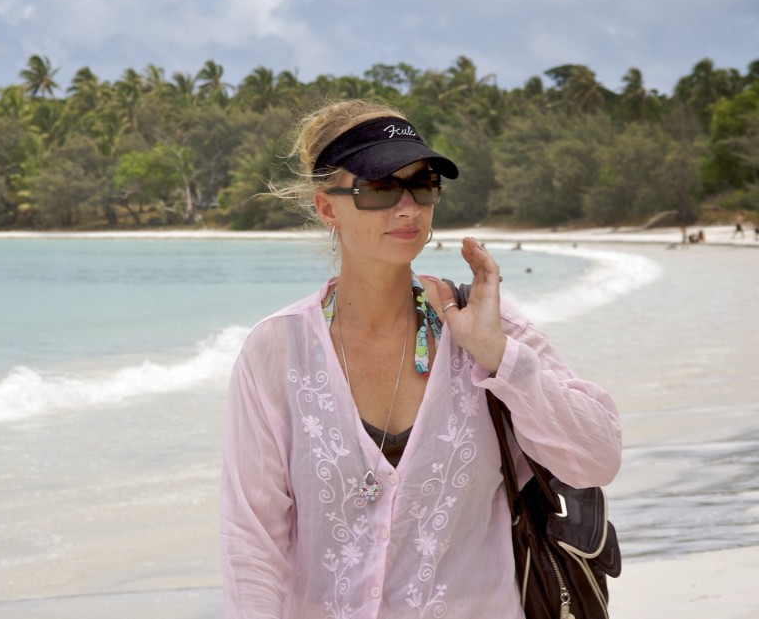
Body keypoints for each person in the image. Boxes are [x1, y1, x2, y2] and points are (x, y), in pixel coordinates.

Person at [220, 99, 622, 619]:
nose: (407, 207)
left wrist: (499, 357)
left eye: (423, 184)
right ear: (327, 207)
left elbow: (597, 457)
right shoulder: (274, 352)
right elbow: (252, 543)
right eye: (380, 188)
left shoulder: (484, 325)